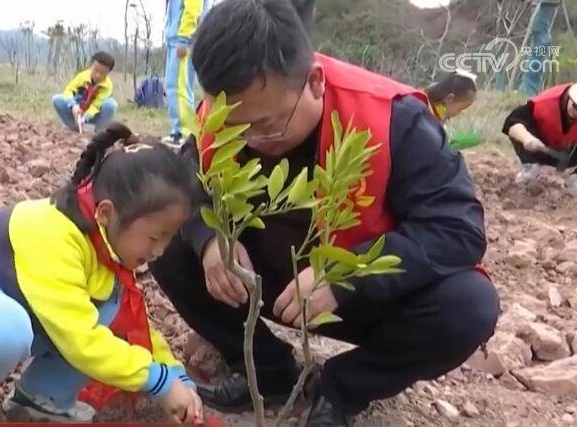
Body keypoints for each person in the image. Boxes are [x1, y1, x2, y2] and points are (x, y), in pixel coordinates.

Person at [148, 1, 499, 426]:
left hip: (357, 300)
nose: (253, 140)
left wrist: (347, 277)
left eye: (269, 125)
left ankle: (342, 389)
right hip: (267, 285)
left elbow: (457, 230)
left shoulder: (394, 119)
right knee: (166, 243)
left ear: (314, 81)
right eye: (237, 129)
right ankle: (268, 373)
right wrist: (209, 242)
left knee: (469, 307)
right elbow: (187, 180)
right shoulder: (223, 113)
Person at [0, 123, 204, 423]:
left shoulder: (104, 241)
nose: (160, 251)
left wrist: (174, 374)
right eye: (155, 237)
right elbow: (80, 340)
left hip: (9, 311)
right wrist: (159, 382)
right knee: (10, 326)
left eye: (168, 238)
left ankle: (41, 398)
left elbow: (132, 326)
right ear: (107, 213)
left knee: (108, 307)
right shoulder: (54, 235)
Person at [502, 66, 577, 198]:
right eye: (576, 105)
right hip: (538, 149)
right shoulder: (545, 102)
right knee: (520, 130)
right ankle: (529, 168)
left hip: (567, 154)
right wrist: (527, 139)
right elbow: (513, 122)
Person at [162, 0, 211, 146]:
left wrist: (183, 39)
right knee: (175, 85)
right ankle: (179, 130)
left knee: (179, 87)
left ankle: (182, 133)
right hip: (175, 40)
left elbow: (193, 10)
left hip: (183, 40)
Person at [51, 51, 117, 133]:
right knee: (57, 99)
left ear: (108, 73)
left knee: (110, 105)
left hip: (94, 114)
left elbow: (96, 106)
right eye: (95, 70)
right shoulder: (82, 76)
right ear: (91, 65)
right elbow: (68, 91)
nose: (98, 75)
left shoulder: (107, 86)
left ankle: (100, 132)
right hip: (77, 111)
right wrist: (73, 105)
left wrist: (85, 118)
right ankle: (74, 127)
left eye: (102, 73)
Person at [425, 69, 481, 151]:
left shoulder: (435, 111)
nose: (458, 113)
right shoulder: (425, 115)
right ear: (449, 99)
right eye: (460, 109)